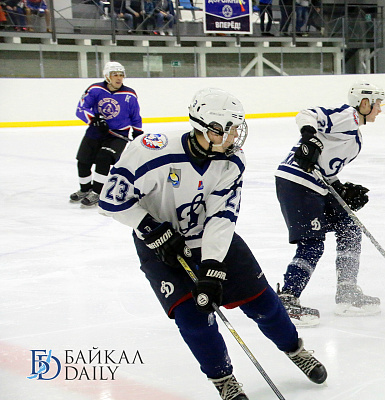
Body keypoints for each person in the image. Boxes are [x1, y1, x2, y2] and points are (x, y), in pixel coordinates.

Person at [98, 88, 327, 400]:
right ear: (210, 128)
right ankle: (224, 381)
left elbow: (223, 216)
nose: (237, 135)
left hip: (211, 238)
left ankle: (294, 349)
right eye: (231, 128)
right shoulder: (150, 150)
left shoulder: (233, 161)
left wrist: (212, 266)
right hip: (160, 248)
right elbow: (111, 200)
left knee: (263, 302)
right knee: (193, 318)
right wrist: (149, 227)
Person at [274, 82, 385, 327]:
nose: (380, 109)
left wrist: (343, 190)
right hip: (296, 181)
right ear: (364, 103)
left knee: (350, 228)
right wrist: (307, 137)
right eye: (378, 104)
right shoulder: (346, 116)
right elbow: (306, 115)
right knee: (312, 244)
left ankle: (347, 292)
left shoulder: (355, 140)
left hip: (317, 186)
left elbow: (326, 171)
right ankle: (287, 297)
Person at [71, 61, 143, 207]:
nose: (119, 78)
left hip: (118, 134)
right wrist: (95, 119)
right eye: (115, 74)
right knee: (83, 160)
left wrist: (137, 133)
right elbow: (81, 108)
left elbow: (136, 116)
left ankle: (97, 192)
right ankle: (85, 189)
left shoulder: (129, 94)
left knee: (103, 158)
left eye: (121, 75)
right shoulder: (95, 89)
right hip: (96, 130)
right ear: (107, 76)